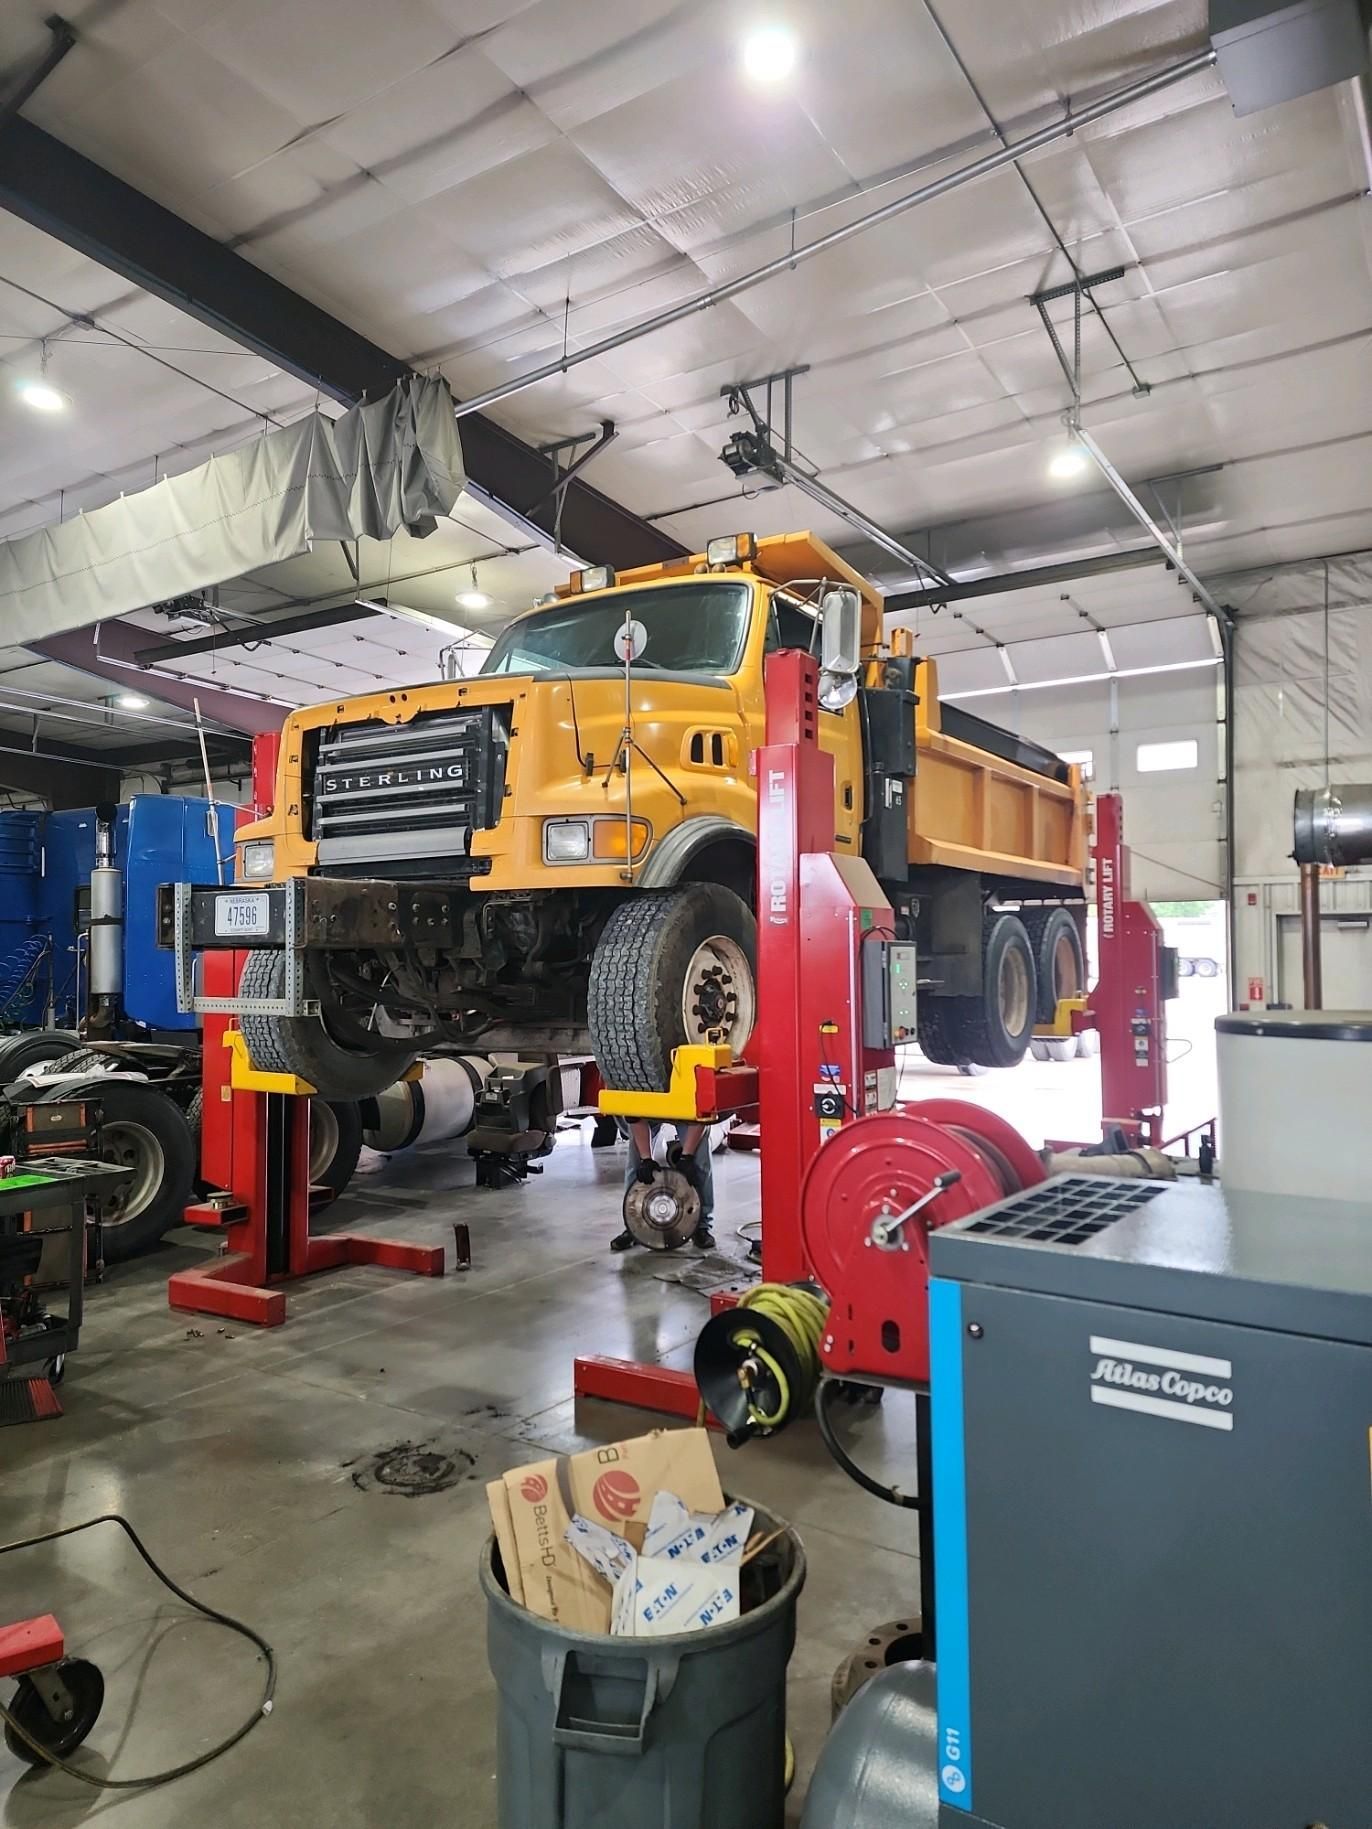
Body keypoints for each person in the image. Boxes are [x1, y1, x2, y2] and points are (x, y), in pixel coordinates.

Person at [611, 1121, 716, 1252]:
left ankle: (701, 1226)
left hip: (688, 1114)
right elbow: (634, 1118)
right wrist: (645, 1159)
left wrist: (687, 1157)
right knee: (635, 1159)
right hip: (647, 1113)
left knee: (700, 1156)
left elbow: (701, 1119)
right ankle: (634, 1226)